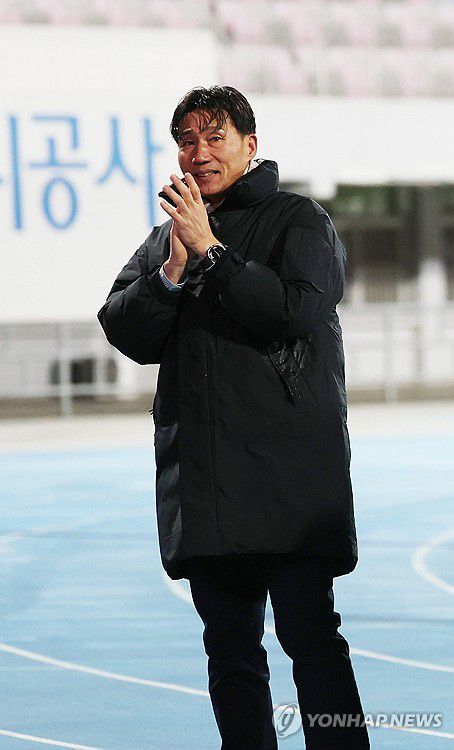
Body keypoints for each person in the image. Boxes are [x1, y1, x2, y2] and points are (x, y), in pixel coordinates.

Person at [97, 86, 370, 749]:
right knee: (229, 650)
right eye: (186, 141)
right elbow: (124, 328)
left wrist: (212, 253)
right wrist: (172, 269)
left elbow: (294, 311)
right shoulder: (168, 239)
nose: (199, 153)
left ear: (250, 145)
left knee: (311, 638)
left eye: (214, 137)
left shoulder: (299, 219)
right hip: (208, 483)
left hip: (290, 480)